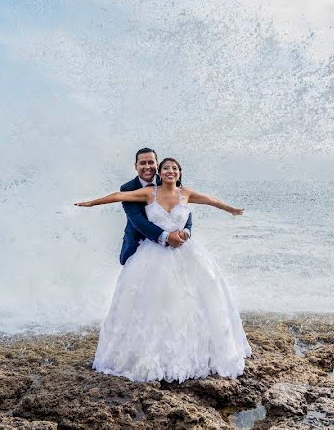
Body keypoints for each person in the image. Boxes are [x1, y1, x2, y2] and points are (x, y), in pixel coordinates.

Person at [75, 156, 251, 382]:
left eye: (174, 168)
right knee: (154, 299)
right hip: (153, 252)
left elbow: (210, 201)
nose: (170, 171)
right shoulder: (150, 193)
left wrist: (231, 209)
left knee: (196, 296)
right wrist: (91, 203)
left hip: (186, 252)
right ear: (160, 171)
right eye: (166, 168)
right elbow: (119, 196)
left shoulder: (186, 194)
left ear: (179, 172)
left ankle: (200, 351)